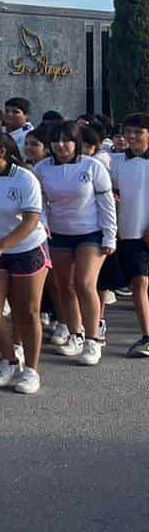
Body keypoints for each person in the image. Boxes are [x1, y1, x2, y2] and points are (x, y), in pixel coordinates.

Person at [0, 130, 49, 393]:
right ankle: (11, 360)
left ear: (1, 152)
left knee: (27, 311)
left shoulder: (25, 178)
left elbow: (31, 221)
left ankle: (32, 370)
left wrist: (1, 246)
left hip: (26, 249)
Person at [34, 120, 112, 366]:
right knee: (64, 286)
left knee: (84, 283)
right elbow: (40, 202)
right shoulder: (42, 168)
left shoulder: (93, 166)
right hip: (58, 233)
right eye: (55, 140)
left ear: (76, 142)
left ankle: (92, 340)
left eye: (66, 140)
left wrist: (110, 235)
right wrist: (44, 223)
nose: (60, 145)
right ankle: (75, 334)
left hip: (91, 232)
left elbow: (106, 202)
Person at [109, 114, 149, 358]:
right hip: (130, 233)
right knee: (139, 283)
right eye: (128, 132)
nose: (131, 137)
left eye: (138, 132)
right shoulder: (116, 162)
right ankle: (147, 336)